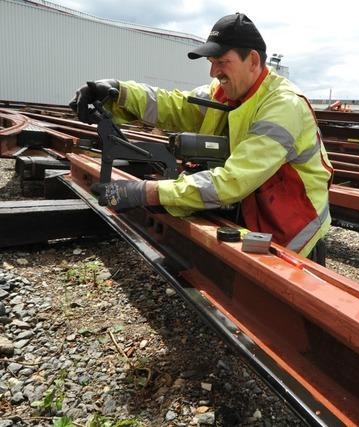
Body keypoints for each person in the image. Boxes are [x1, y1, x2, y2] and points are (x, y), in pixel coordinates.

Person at [69, 13, 333, 264]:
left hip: (295, 236)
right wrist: (119, 92)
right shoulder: (225, 93)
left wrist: (147, 192)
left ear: (252, 60)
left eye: (221, 62)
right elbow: (175, 105)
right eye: (211, 64)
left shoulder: (283, 106)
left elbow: (233, 181)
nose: (213, 73)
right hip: (255, 222)